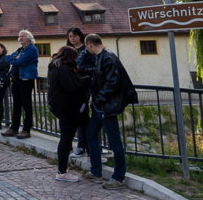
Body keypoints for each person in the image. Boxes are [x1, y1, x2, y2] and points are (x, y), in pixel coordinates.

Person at [83, 33, 138, 189]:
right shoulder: (101, 58)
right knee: (91, 134)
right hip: (100, 106)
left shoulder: (108, 58)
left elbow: (112, 83)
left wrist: (99, 99)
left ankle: (119, 177)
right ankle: (96, 172)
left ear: (90, 44)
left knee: (115, 141)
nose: (87, 49)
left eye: (87, 46)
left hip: (106, 107)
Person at [47, 46, 91, 182]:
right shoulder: (64, 69)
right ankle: (61, 171)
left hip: (63, 105)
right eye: (75, 57)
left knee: (87, 127)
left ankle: (91, 155)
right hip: (68, 107)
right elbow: (72, 89)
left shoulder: (55, 67)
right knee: (66, 138)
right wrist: (87, 80)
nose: (76, 59)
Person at [66, 28, 97, 159]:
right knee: (71, 116)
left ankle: (82, 146)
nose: (72, 38)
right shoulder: (68, 49)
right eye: (70, 36)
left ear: (79, 36)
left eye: (74, 36)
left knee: (82, 115)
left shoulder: (86, 50)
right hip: (72, 86)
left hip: (85, 85)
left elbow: (94, 67)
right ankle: (69, 145)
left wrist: (79, 69)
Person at [3, 30, 39, 139]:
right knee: (16, 105)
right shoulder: (20, 50)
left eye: (22, 36)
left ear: (29, 38)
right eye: (19, 36)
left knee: (26, 105)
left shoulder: (32, 49)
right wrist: (15, 59)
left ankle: (26, 130)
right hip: (16, 79)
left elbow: (20, 61)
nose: (20, 38)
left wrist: (16, 59)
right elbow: (7, 59)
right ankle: (14, 128)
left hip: (26, 80)